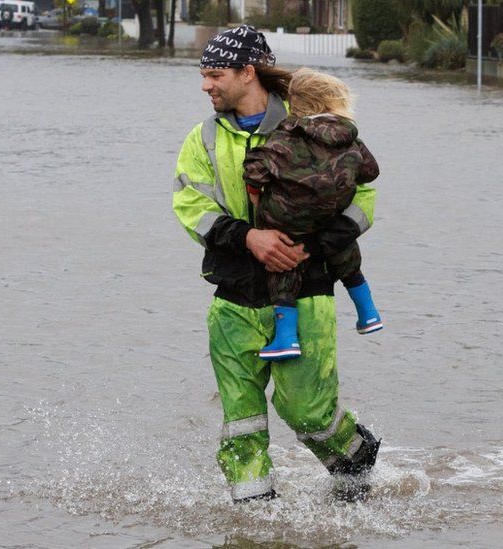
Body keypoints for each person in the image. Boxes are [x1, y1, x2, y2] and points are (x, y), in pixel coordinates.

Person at [172, 25, 381, 503]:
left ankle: (357, 462)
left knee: (306, 411)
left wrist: (325, 240)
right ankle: (253, 516)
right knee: (241, 420)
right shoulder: (201, 138)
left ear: (248, 73)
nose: (206, 84)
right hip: (233, 296)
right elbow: (189, 206)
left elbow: (364, 194)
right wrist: (249, 238)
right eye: (203, 74)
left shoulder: (315, 123)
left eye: (214, 73)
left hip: (305, 290)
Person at [244, 68, 382, 362]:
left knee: (283, 271)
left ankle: (286, 338)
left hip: (288, 221)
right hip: (331, 219)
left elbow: (256, 167)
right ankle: (368, 313)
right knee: (347, 260)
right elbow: (371, 171)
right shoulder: (351, 140)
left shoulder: (286, 138)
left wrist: (255, 195)